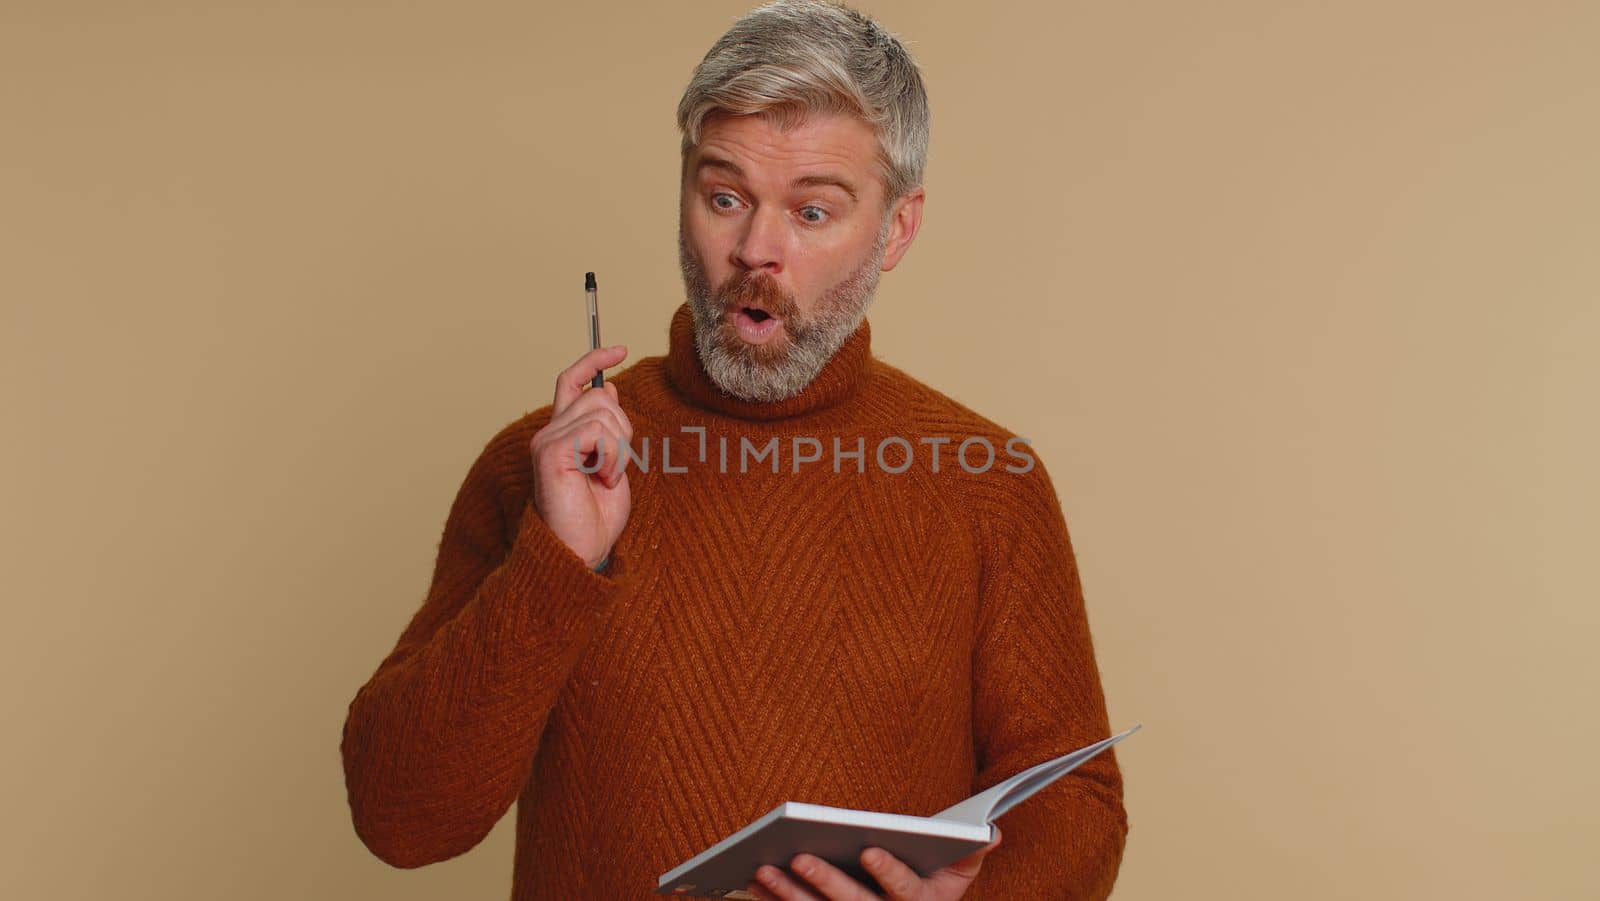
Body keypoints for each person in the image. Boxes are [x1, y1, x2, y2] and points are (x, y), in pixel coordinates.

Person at [340, 1, 1127, 897]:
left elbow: (1079, 801)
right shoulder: (538, 470)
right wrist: (559, 559)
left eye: (814, 211)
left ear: (897, 229)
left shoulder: (988, 484)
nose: (757, 249)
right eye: (724, 198)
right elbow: (400, 818)